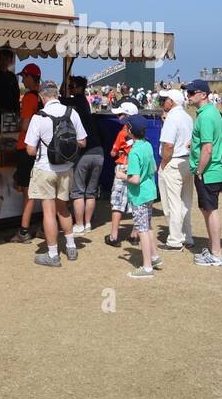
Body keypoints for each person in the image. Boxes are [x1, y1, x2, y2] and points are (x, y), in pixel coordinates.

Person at [27, 81, 88, 267]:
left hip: (45, 168)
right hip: (66, 168)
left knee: (49, 212)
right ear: (56, 94)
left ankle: (53, 254)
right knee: (63, 208)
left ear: (42, 96)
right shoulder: (71, 113)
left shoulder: (38, 117)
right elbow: (83, 142)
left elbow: (30, 150)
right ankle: (71, 247)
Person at [185, 79, 222, 267]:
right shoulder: (210, 113)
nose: (188, 96)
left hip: (208, 171)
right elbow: (206, 143)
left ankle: (216, 254)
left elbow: (208, 149)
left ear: (203, 94)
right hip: (210, 170)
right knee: (207, 209)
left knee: (210, 210)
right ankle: (213, 249)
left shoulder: (206, 116)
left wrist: (199, 170)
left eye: (191, 93)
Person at [7, 64, 45, 243]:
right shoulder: (43, 97)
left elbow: (25, 125)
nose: (22, 80)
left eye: (24, 76)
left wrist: (18, 122)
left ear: (32, 77)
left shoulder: (30, 97)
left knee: (27, 192)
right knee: (44, 192)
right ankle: (44, 227)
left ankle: (23, 231)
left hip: (26, 148)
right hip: (40, 149)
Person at [120, 116, 161, 278]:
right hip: (150, 192)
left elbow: (135, 179)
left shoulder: (134, 150)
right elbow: (154, 167)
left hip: (139, 195)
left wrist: (122, 176)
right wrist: (130, 168)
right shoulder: (147, 145)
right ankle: (154, 257)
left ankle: (147, 267)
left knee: (142, 229)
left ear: (130, 131)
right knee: (147, 226)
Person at [62, 76, 103, 234]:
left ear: (79, 87)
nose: (70, 89)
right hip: (98, 151)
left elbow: (60, 101)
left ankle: (79, 224)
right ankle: (87, 223)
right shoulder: (84, 103)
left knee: (78, 191)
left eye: (72, 86)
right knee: (91, 192)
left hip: (85, 152)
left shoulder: (77, 102)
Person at [156, 89, 194, 250]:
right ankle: (187, 236)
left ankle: (175, 240)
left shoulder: (172, 118)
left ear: (171, 101)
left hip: (173, 161)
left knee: (172, 203)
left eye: (165, 99)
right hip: (187, 160)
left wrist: (164, 163)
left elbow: (168, 145)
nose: (162, 102)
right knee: (185, 202)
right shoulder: (187, 117)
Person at [104, 101, 139, 247]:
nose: (118, 117)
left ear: (127, 116)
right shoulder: (140, 132)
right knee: (136, 200)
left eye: (120, 114)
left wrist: (117, 151)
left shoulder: (122, 133)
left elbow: (113, 152)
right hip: (136, 167)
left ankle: (114, 236)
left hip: (123, 166)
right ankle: (135, 235)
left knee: (117, 201)